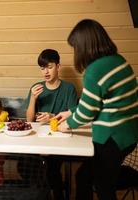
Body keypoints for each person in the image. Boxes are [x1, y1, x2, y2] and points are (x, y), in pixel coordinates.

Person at [55, 19, 138, 200]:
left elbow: (87, 113)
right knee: (85, 176)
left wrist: (67, 124)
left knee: (103, 186)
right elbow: (102, 101)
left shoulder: (94, 70)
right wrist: (70, 111)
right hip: (129, 134)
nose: (76, 52)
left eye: (75, 47)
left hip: (112, 138)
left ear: (84, 46)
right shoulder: (118, 60)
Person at [25, 49, 78, 200]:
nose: (45, 72)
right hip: (38, 137)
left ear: (58, 66)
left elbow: (73, 116)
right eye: (42, 68)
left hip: (60, 137)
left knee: (51, 167)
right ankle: (42, 194)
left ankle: (57, 194)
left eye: (49, 67)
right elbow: (29, 120)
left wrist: (52, 117)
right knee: (25, 164)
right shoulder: (37, 87)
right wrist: (33, 98)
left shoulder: (68, 88)